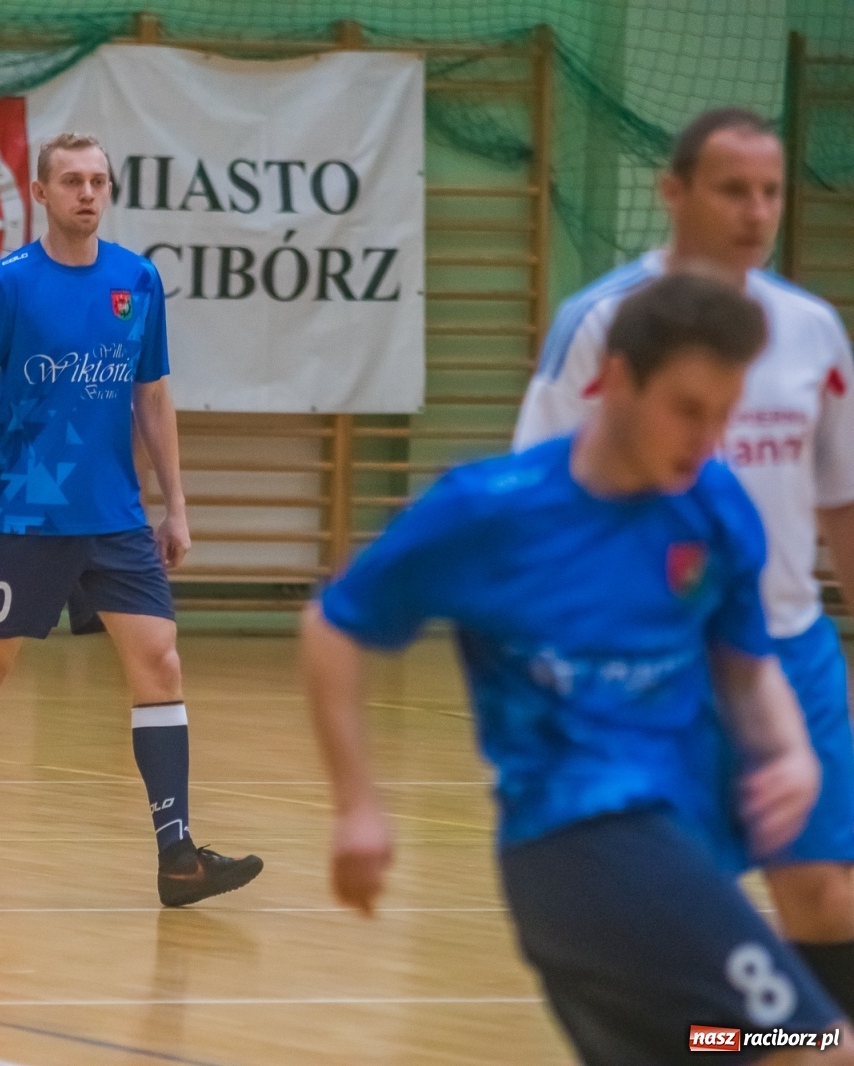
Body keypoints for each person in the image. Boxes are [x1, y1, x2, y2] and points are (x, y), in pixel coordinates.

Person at [304, 273, 854, 1065]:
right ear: (619, 381)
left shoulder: (713, 504)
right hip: (585, 844)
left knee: (708, 1045)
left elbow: (746, 667)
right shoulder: (493, 510)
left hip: (670, 849)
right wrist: (357, 805)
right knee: (812, 1044)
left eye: (723, 416)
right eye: (688, 409)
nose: (706, 438)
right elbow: (331, 624)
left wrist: (792, 752)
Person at [514, 107, 854, 1014]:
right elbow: (539, 506)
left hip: (792, 647)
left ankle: (807, 1052)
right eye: (732, 189)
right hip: (658, 667)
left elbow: (841, 500)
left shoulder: (813, 331)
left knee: (825, 894)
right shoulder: (600, 324)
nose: (756, 211)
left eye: (771, 191)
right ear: (674, 193)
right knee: (677, 912)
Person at [0, 132, 263, 907]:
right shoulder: (10, 284)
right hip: (25, 516)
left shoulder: (137, 280)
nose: (87, 194)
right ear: (41, 193)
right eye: (71, 181)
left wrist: (177, 505)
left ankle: (178, 856)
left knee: (159, 664)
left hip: (115, 521)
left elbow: (152, 396)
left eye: (98, 180)